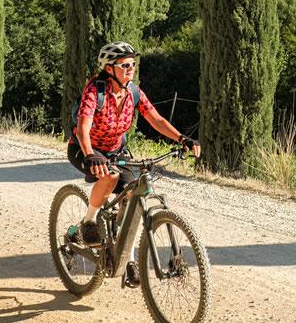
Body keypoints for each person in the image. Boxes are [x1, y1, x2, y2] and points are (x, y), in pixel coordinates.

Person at [68, 41, 199, 246]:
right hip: (85, 149)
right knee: (109, 175)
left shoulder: (133, 92)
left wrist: (182, 138)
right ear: (109, 69)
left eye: (133, 64)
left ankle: (123, 254)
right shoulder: (95, 91)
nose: (131, 69)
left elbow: (156, 120)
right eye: (125, 65)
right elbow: (83, 126)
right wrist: (90, 154)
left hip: (116, 150)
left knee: (131, 194)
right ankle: (89, 222)